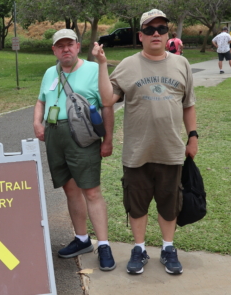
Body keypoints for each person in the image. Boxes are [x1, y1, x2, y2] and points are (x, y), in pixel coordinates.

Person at [92, 8, 198, 275]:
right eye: (149, 29)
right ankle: (138, 249)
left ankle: (167, 248)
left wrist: (193, 136)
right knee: (137, 204)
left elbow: (189, 105)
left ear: (168, 34)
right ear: (140, 35)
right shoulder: (127, 64)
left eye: (161, 29)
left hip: (171, 149)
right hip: (137, 151)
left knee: (169, 202)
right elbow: (107, 99)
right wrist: (103, 65)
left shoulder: (181, 64)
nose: (155, 34)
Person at [33, 29, 116, 271]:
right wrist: (37, 122)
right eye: (61, 46)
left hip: (82, 136)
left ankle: (103, 245)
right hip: (54, 137)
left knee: (91, 191)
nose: (65, 49)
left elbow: (107, 105)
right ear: (54, 50)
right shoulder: (50, 72)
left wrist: (108, 140)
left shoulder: (93, 69)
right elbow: (40, 100)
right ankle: (82, 239)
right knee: (70, 189)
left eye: (70, 45)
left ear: (78, 47)